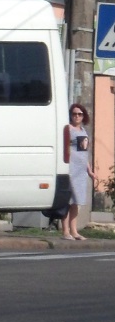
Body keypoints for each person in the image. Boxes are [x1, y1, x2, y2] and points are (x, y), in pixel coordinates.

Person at [63, 103, 95, 241]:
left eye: (80, 114)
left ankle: (74, 231)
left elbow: (84, 153)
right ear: (70, 115)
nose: (77, 116)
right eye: (74, 114)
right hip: (71, 169)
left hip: (81, 171)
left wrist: (90, 171)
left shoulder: (83, 130)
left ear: (83, 116)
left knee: (77, 201)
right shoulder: (68, 129)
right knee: (68, 201)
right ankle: (65, 232)